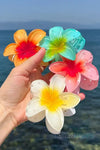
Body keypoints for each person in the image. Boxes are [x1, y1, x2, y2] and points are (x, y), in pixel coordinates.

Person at [0, 48, 85, 145]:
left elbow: (58, 80)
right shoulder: (39, 86)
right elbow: (38, 86)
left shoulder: (54, 81)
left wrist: (5, 108)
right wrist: (5, 107)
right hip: (46, 97)